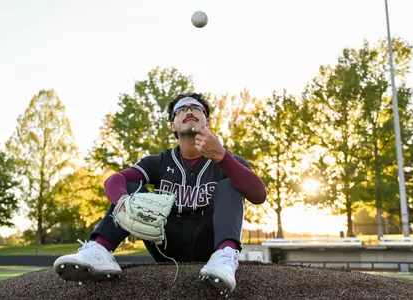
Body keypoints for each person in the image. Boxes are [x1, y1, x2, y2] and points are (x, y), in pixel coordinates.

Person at [53, 93, 267, 293]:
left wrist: (223, 157)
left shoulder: (227, 161)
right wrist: (123, 202)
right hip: (166, 242)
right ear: (173, 124)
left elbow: (259, 195)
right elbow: (115, 181)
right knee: (130, 188)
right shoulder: (158, 162)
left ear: (207, 122)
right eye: (181, 109)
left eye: (196, 108)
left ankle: (225, 255)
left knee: (230, 185)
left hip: (209, 243)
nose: (189, 110)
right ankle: (100, 250)